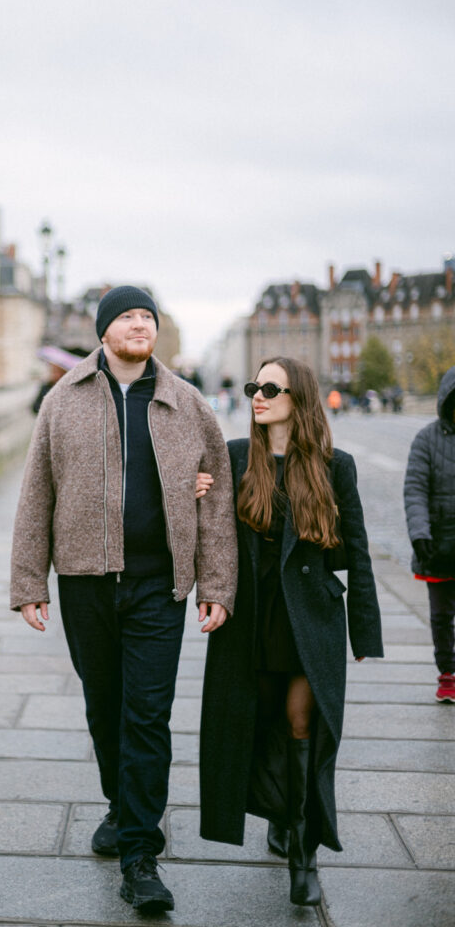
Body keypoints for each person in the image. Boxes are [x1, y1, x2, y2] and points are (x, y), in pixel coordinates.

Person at [10, 285, 238, 914]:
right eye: (128, 316)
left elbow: (215, 497)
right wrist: (29, 582)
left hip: (157, 585)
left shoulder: (186, 402)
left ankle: (140, 853)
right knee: (104, 707)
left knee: (146, 714)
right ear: (104, 330)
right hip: (84, 581)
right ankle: (122, 803)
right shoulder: (64, 400)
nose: (141, 325)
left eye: (149, 317)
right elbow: (37, 494)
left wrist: (215, 585)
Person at [198, 355, 383, 907]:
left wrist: (363, 631)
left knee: (304, 724)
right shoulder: (234, 458)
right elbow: (210, 534)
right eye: (255, 385)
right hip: (252, 620)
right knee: (262, 723)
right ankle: (280, 814)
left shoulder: (334, 464)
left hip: (311, 620)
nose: (257, 395)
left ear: (298, 398)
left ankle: (304, 855)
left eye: (270, 388)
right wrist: (196, 495)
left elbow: (360, 550)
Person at [403, 364, 455, 703]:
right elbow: (415, 490)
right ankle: (447, 674)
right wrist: (420, 534)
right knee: (441, 617)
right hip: (439, 546)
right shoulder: (426, 439)